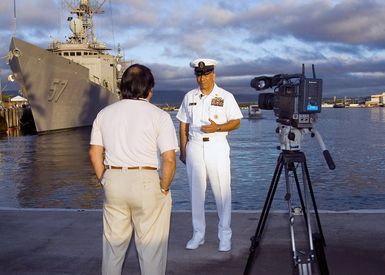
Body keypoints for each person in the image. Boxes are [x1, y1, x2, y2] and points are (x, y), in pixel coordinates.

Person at [89, 64, 178, 275]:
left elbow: (94, 152)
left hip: (113, 180)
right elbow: (169, 159)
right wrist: (164, 187)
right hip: (146, 181)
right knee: (151, 248)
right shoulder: (159, 116)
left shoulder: (104, 113)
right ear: (149, 89)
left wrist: (104, 179)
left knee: (113, 247)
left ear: (122, 87)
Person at [176, 58, 243, 252]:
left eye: (205, 74)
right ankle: (198, 234)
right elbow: (182, 123)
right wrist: (183, 149)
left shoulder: (225, 96)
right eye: (199, 74)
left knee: (222, 192)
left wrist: (218, 127)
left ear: (213, 74)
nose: (202, 78)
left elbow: (236, 121)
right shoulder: (189, 97)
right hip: (194, 146)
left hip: (217, 146)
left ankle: (225, 235)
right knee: (196, 193)